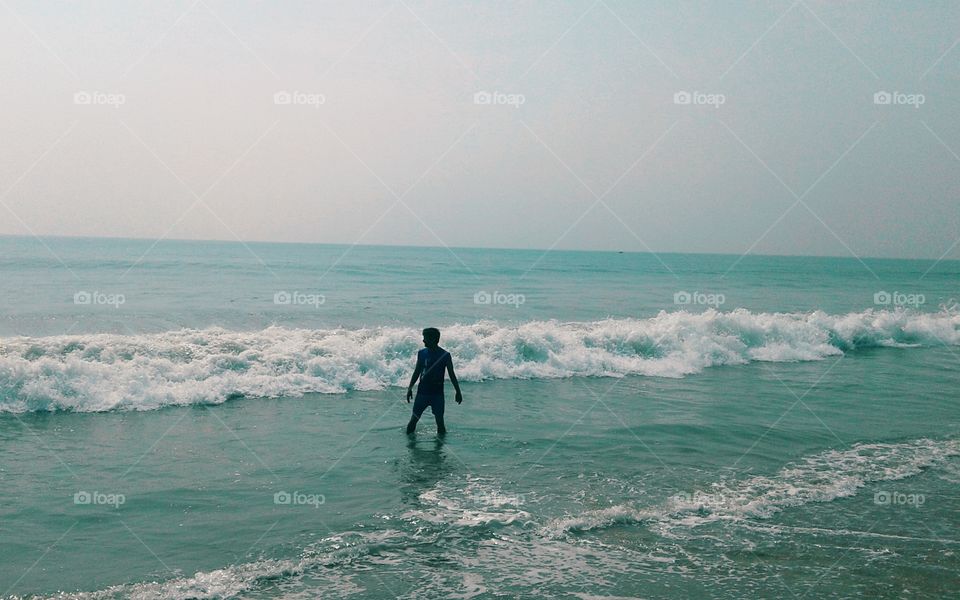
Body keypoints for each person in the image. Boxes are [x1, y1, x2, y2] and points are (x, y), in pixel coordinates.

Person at [406, 327, 462, 434]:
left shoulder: (445, 355)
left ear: (433, 339)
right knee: (413, 421)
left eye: (425, 338)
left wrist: (458, 391)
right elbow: (417, 371)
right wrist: (410, 388)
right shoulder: (421, 353)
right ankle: (410, 447)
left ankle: (439, 450)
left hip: (437, 394)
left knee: (440, 423)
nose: (423, 340)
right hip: (422, 393)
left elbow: (452, 375)